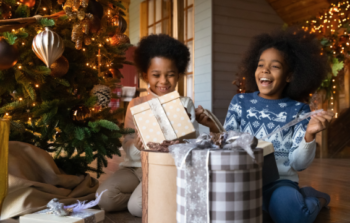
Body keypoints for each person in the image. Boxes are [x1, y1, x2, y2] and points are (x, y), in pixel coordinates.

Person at [196, 28, 334, 223]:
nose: (265, 70)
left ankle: (316, 199)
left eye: (275, 66)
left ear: (289, 76)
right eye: (261, 64)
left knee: (293, 216)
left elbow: (299, 164)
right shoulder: (240, 102)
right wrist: (213, 127)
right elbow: (228, 144)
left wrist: (309, 135)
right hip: (242, 180)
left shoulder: (300, 110)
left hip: (280, 184)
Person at [97, 34, 199, 217]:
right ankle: (149, 194)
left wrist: (180, 136)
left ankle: (151, 195)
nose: (163, 81)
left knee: (137, 207)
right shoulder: (135, 104)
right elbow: (127, 144)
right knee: (103, 198)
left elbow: (193, 143)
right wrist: (136, 145)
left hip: (163, 168)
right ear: (145, 75)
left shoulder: (185, 103)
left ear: (179, 75)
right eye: (156, 75)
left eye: (170, 75)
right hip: (134, 167)